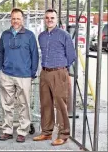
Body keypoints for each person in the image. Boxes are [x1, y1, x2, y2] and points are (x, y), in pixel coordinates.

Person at [33, 9, 76, 146]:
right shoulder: (41, 36)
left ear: (56, 19)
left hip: (59, 72)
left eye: (52, 17)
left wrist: (62, 69)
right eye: (47, 17)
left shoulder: (64, 35)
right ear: (44, 19)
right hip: (45, 72)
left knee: (60, 104)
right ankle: (46, 132)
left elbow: (71, 56)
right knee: (45, 103)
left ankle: (63, 134)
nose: (49, 19)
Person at [0, 8, 39, 143]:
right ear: (11, 19)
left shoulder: (30, 35)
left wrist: (32, 73)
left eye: (18, 18)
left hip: (24, 75)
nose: (15, 21)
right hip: (7, 74)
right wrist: (0, 70)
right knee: (6, 104)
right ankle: (7, 131)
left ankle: (22, 131)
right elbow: (0, 53)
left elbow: (35, 55)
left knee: (24, 104)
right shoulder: (5, 34)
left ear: (23, 19)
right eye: (13, 18)